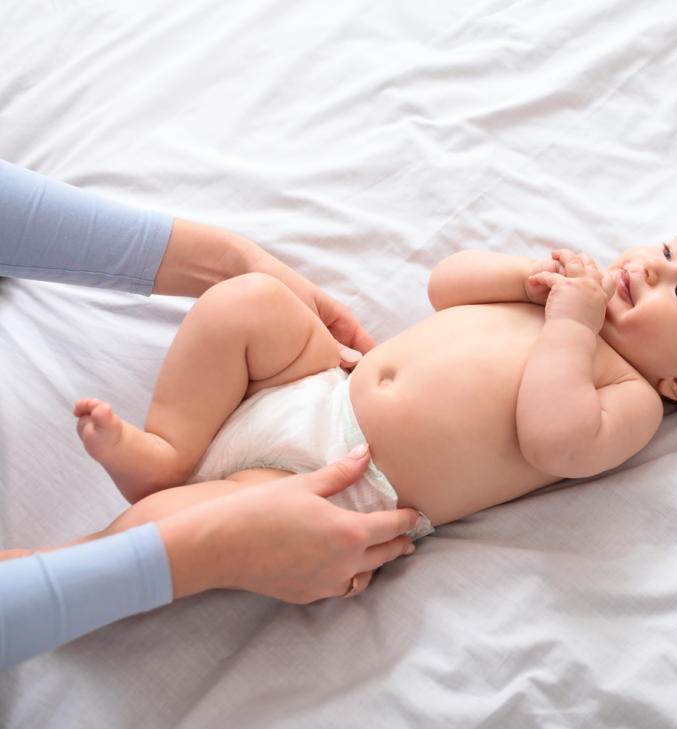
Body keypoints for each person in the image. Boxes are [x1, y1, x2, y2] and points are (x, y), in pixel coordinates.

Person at [33, 227, 677, 570]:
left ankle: (74, 558)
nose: (648, 267)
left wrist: (571, 328)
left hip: (337, 481)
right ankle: (168, 449)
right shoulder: (560, 290)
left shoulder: (628, 395)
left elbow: (555, 442)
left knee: (188, 528)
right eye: (668, 248)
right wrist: (520, 279)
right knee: (247, 301)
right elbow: (445, 285)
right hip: (316, 380)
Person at [0, 160, 422, 672]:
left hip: (311, 397)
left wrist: (233, 261)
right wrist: (223, 549)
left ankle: (167, 454)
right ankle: (85, 546)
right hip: (296, 480)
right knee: (166, 522)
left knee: (249, 298)